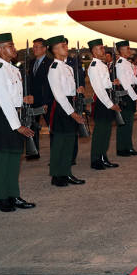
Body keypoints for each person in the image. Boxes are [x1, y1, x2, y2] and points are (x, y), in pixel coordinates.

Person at [0, 33, 37, 212]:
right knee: (3, 159)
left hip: (16, 114)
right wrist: (17, 126)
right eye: (10, 46)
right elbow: (3, 99)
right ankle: (2, 198)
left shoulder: (13, 69)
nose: (14, 49)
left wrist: (24, 99)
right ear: (1, 49)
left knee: (15, 158)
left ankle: (14, 195)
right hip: (5, 117)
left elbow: (12, 97)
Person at [47, 35, 86, 187]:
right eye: (63, 46)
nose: (66, 47)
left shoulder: (67, 67)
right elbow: (59, 94)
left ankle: (66, 173)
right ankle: (58, 175)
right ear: (55, 50)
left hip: (70, 102)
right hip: (62, 106)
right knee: (60, 142)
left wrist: (78, 89)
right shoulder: (54, 68)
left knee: (69, 141)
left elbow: (68, 89)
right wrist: (72, 113)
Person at [87, 39, 121, 170]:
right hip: (102, 102)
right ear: (93, 51)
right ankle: (96, 160)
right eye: (100, 48)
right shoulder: (94, 66)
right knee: (100, 132)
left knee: (106, 132)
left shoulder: (102, 64)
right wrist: (109, 104)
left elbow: (104, 84)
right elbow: (99, 89)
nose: (103, 50)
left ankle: (103, 157)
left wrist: (112, 83)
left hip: (107, 98)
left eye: (102, 48)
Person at [114, 41, 137, 157]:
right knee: (125, 124)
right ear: (121, 50)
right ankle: (123, 148)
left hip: (129, 94)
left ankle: (127, 147)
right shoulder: (121, 63)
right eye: (127, 48)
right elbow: (126, 84)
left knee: (128, 124)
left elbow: (131, 78)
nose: (129, 51)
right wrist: (136, 98)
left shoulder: (126, 63)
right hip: (126, 96)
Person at [26, 37, 52, 160]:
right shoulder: (31, 62)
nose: (34, 49)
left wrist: (46, 101)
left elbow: (49, 85)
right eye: (34, 47)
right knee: (32, 126)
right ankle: (33, 152)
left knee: (52, 127)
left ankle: (55, 154)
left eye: (37, 47)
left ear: (45, 48)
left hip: (45, 101)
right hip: (32, 101)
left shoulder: (50, 63)